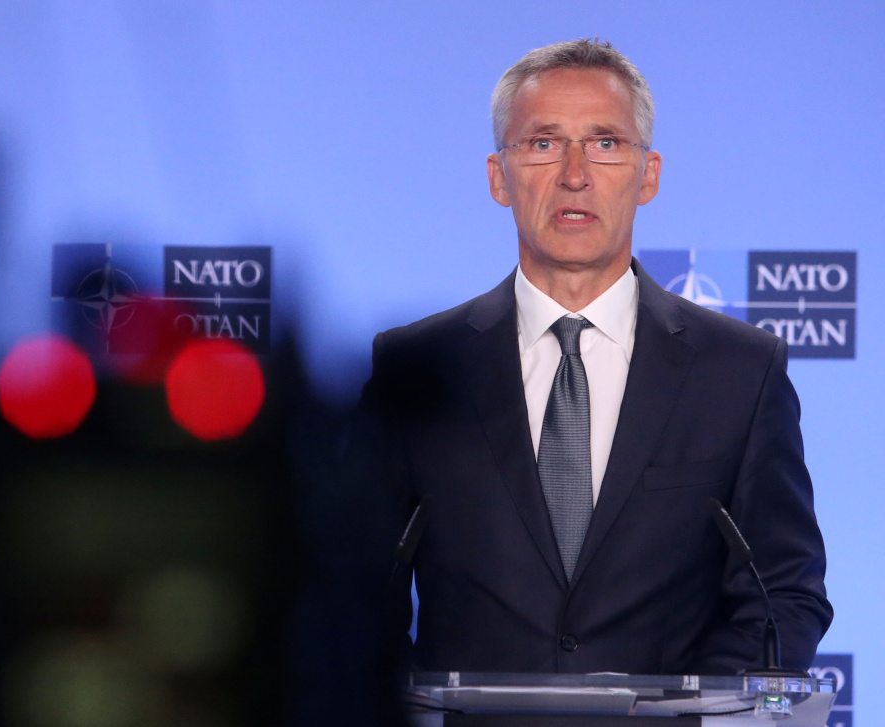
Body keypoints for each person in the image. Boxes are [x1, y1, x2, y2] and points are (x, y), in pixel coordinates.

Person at [349, 38, 831, 676]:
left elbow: (785, 597)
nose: (574, 173)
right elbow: (347, 591)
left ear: (649, 175)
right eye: (543, 143)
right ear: (498, 177)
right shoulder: (417, 368)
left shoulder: (739, 373)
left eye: (605, 143)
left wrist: (689, 713)